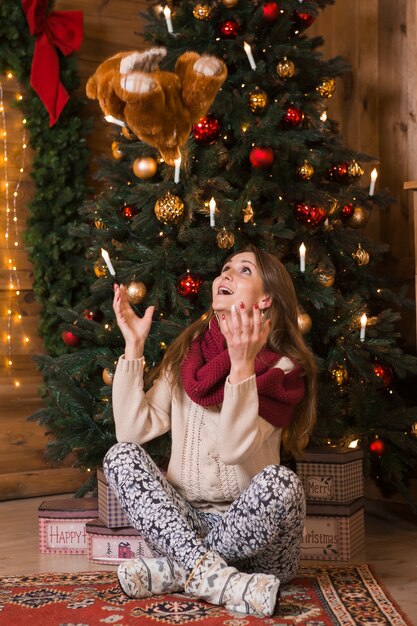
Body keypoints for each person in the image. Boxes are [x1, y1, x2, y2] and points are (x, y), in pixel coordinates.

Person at [104, 246, 317, 618]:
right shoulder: (189, 354)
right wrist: (134, 346)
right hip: (185, 523)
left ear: (266, 299)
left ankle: (179, 569)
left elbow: (234, 449)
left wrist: (242, 363)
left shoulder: (281, 368)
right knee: (119, 456)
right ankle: (217, 578)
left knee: (282, 484)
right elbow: (132, 431)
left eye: (244, 270)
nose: (227, 274)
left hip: (258, 546)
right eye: (225, 268)